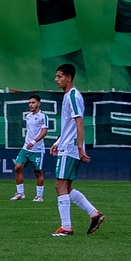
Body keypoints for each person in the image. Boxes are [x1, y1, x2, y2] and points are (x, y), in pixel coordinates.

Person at [48, 64, 105, 237]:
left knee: (59, 185)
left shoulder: (72, 95)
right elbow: (70, 124)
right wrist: (58, 140)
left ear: (69, 77)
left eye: (59, 76)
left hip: (71, 148)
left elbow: (80, 122)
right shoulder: (69, 96)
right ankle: (94, 214)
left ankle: (66, 227)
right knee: (67, 187)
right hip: (68, 145)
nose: (56, 79)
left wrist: (79, 148)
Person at [11, 92, 48, 202]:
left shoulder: (43, 116)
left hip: (37, 149)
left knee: (38, 172)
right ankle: (20, 193)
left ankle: (39, 196)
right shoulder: (28, 116)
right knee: (17, 167)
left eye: (33, 102)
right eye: (29, 103)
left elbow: (44, 131)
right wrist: (28, 142)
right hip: (26, 148)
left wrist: (34, 141)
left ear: (38, 104)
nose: (31, 105)